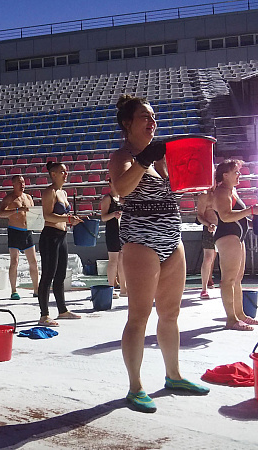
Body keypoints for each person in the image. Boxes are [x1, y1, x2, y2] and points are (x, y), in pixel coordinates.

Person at [109, 94, 209, 413]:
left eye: (153, 117)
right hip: (141, 240)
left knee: (170, 314)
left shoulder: (162, 158)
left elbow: (183, 187)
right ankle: (135, 386)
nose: (152, 122)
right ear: (128, 123)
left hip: (171, 238)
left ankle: (174, 375)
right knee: (138, 316)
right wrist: (144, 161)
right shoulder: (123, 156)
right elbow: (121, 189)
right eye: (144, 116)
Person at [212, 159, 258, 331]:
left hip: (237, 236)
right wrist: (250, 211)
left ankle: (240, 314)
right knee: (229, 279)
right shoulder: (222, 191)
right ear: (225, 175)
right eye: (236, 172)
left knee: (237, 278)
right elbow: (225, 216)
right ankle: (231, 319)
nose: (239, 175)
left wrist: (251, 221)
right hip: (227, 236)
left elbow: (239, 216)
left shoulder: (232, 191)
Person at [36, 162, 83, 326]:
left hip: (62, 236)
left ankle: (62, 310)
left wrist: (72, 220)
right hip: (50, 236)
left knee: (61, 274)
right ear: (53, 174)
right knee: (48, 275)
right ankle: (44, 314)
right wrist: (68, 218)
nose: (66, 174)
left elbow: (62, 215)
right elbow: (48, 216)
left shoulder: (63, 192)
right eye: (62, 171)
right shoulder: (49, 192)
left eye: (66, 171)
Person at [0, 175, 40, 300]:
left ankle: (36, 289)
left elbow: (33, 214)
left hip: (27, 232)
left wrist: (39, 224)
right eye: (19, 182)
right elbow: (1, 213)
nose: (22, 185)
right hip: (15, 231)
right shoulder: (9, 198)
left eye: (23, 182)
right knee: (14, 261)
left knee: (33, 262)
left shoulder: (28, 197)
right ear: (13, 184)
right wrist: (17, 210)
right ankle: (13, 290)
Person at [100, 177, 127, 298]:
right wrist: (113, 214)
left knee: (122, 260)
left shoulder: (121, 198)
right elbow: (103, 217)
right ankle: (111, 287)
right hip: (112, 231)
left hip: (122, 231)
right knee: (113, 260)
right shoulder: (108, 198)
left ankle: (123, 288)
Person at [196, 189, 218, 299]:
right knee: (208, 257)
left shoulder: (226, 192)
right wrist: (208, 224)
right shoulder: (204, 196)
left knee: (221, 257)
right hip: (210, 228)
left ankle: (228, 285)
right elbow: (199, 215)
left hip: (225, 228)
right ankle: (204, 288)